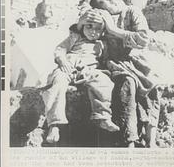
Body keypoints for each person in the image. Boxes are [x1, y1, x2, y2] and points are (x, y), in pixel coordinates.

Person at [75, 0, 162, 148]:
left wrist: (114, 30)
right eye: (101, 2)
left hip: (136, 61)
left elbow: (143, 39)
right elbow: (84, 34)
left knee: (152, 88)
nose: (108, 2)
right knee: (126, 83)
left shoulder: (132, 11)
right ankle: (129, 138)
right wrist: (81, 22)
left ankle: (150, 138)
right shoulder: (102, 16)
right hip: (113, 63)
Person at [42, 10, 119, 144]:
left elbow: (105, 60)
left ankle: (103, 116)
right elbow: (60, 49)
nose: (92, 31)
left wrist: (109, 66)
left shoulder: (102, 44)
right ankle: (54, 125)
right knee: (58, 83)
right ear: (82, 26)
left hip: (88, 70)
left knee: (104, 81)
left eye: (97, 29)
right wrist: (62, 61)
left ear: (103, 32)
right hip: (68, 67)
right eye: (89, 26)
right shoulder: (74, 37)